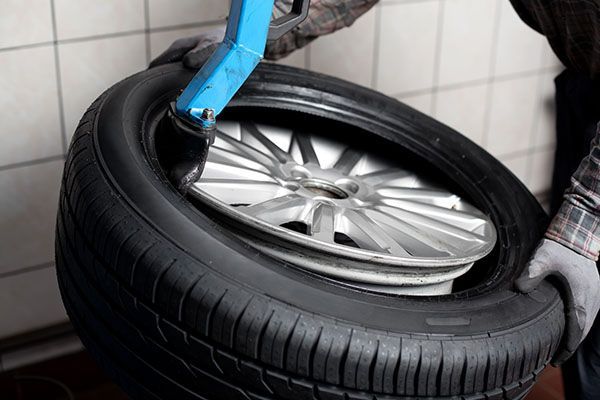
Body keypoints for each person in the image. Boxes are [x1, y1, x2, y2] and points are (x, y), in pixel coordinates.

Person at [151, 1, 600, 398]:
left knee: (588, 313)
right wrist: (250, 40)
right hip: (589, 82)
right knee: (567, 294)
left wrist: (586, 224)